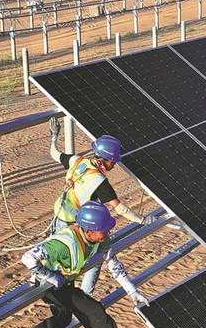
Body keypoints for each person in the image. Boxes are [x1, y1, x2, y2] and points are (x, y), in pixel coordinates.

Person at [7, 200, 164, 328]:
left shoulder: (100, 239)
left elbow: (113, 264)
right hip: (46, 284)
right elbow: (27, 258)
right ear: (88, 231)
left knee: (63, 318)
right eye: (104, 229)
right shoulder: (64, 244)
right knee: (93, 310)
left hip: (64, 281)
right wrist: (49, 275)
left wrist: (132, 291)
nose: (108, 231)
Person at [48, 117, 156, 295]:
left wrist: (54, 136)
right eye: (113, 161)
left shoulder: (77, 160)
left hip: (57, 217)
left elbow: (54, 153)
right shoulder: (99, 181)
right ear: (104, 159)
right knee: (91, 260)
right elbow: (119, 208)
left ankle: (64, 294)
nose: (114, 164)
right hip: (76, 225)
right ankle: (84, 295)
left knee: (59, 259)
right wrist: (142, 220)